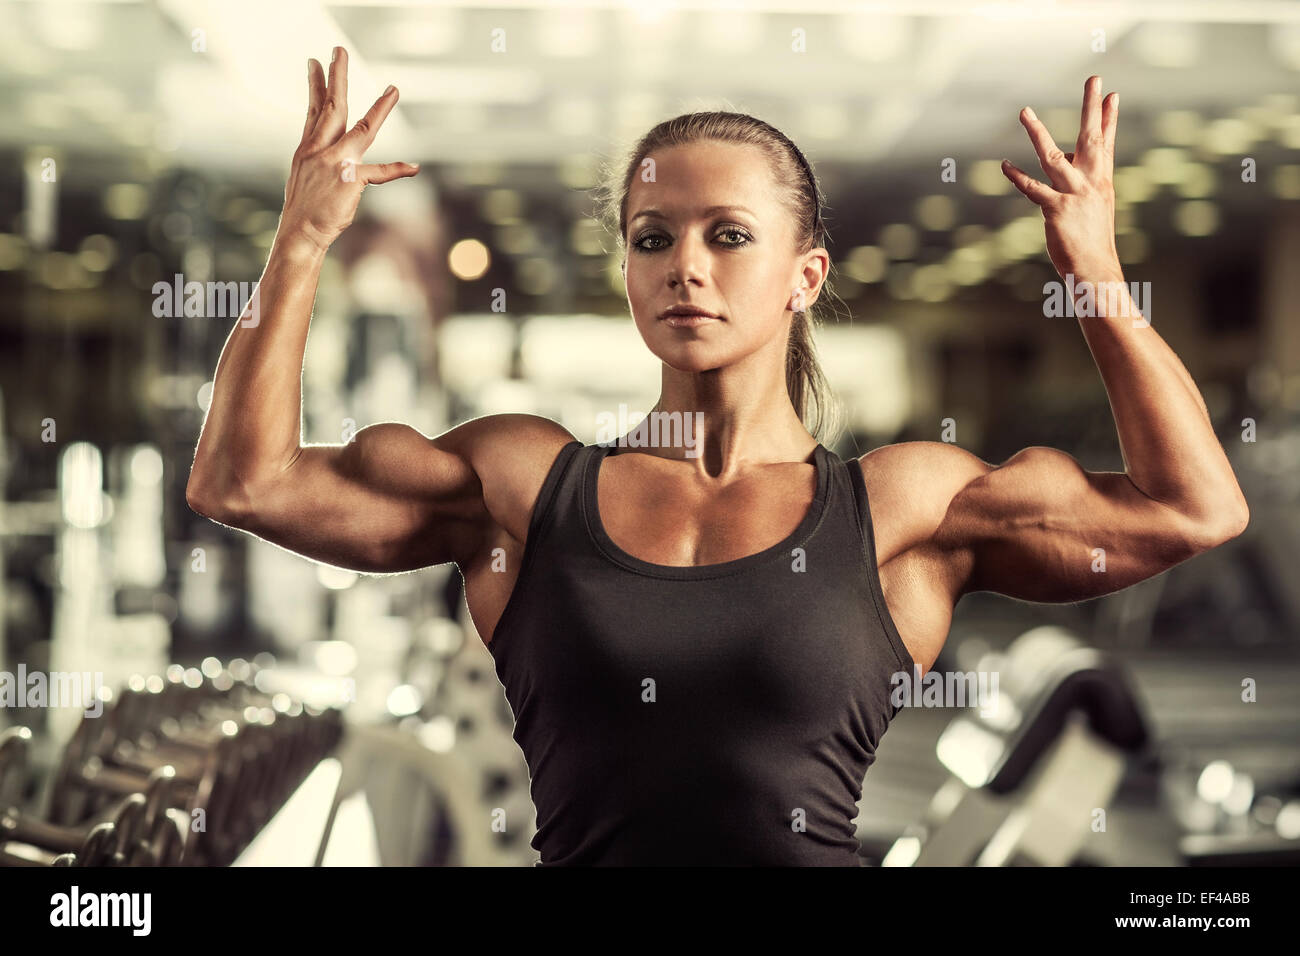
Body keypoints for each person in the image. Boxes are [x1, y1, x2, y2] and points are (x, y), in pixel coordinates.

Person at [186, 51, 1249, 865]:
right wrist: (301, 243)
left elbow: (1192, 508)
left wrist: (1095, 275)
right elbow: (244, 480)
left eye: (727, 235)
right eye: (652, 237)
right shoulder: (523, 487)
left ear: (804, 273)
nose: (683, 266)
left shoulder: (901, 507)